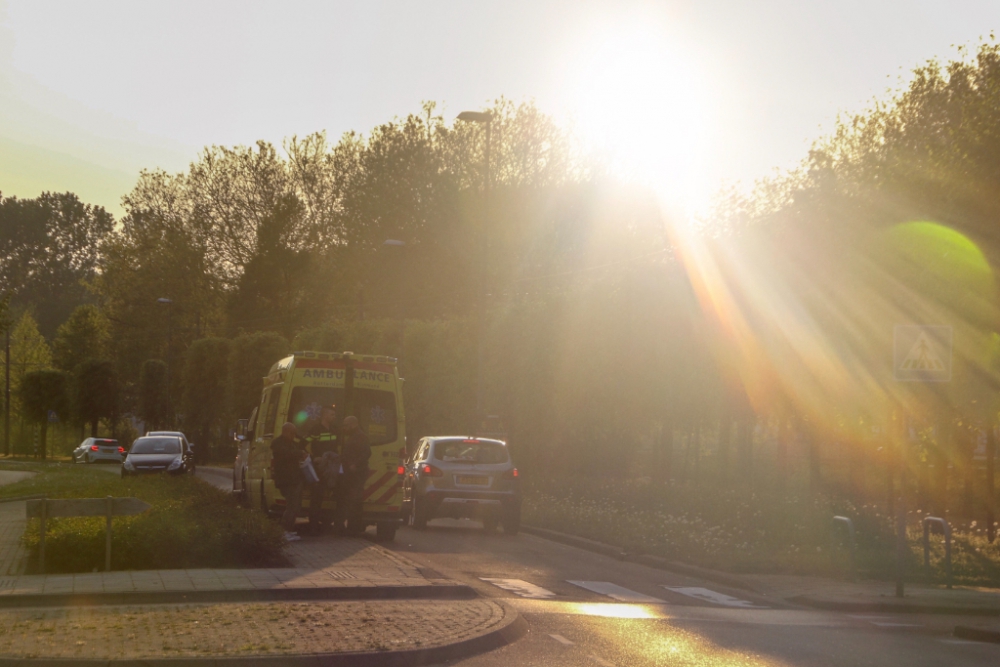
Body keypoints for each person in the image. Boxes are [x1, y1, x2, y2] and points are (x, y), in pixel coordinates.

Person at [304, 405, 339, 532]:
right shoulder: (316, 429)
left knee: (333, 494)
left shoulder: (334, 430)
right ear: (324, 416)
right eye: (332, 415)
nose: (334, 417)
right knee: (317, 495)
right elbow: (304, 443)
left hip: (331, 467)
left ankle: (330, 523)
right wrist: (314, 458)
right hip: (319, 467)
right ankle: (313, 525)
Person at [270, 421, 307, 542]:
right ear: (285, 431)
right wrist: (299, 453)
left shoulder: (292, 443)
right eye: (292, 433)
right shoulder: (277, 443)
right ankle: (284, 531)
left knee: (296, 506)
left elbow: (297, 451)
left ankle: (289, 530)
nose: (293, 435)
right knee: (291, 506)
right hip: (286, 480)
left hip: (295, 479)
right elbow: (286, 454)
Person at [335, 415, 370, 535]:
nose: (344, 428)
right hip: (348, 473)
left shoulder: (361, 436)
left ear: (353, 424)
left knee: (355, 502)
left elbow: (366, 453)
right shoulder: (351, 436)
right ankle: (346, 527)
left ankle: (353, 529)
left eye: (346, 425)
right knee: (346, 500)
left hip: (357, 474)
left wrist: (355, 464)